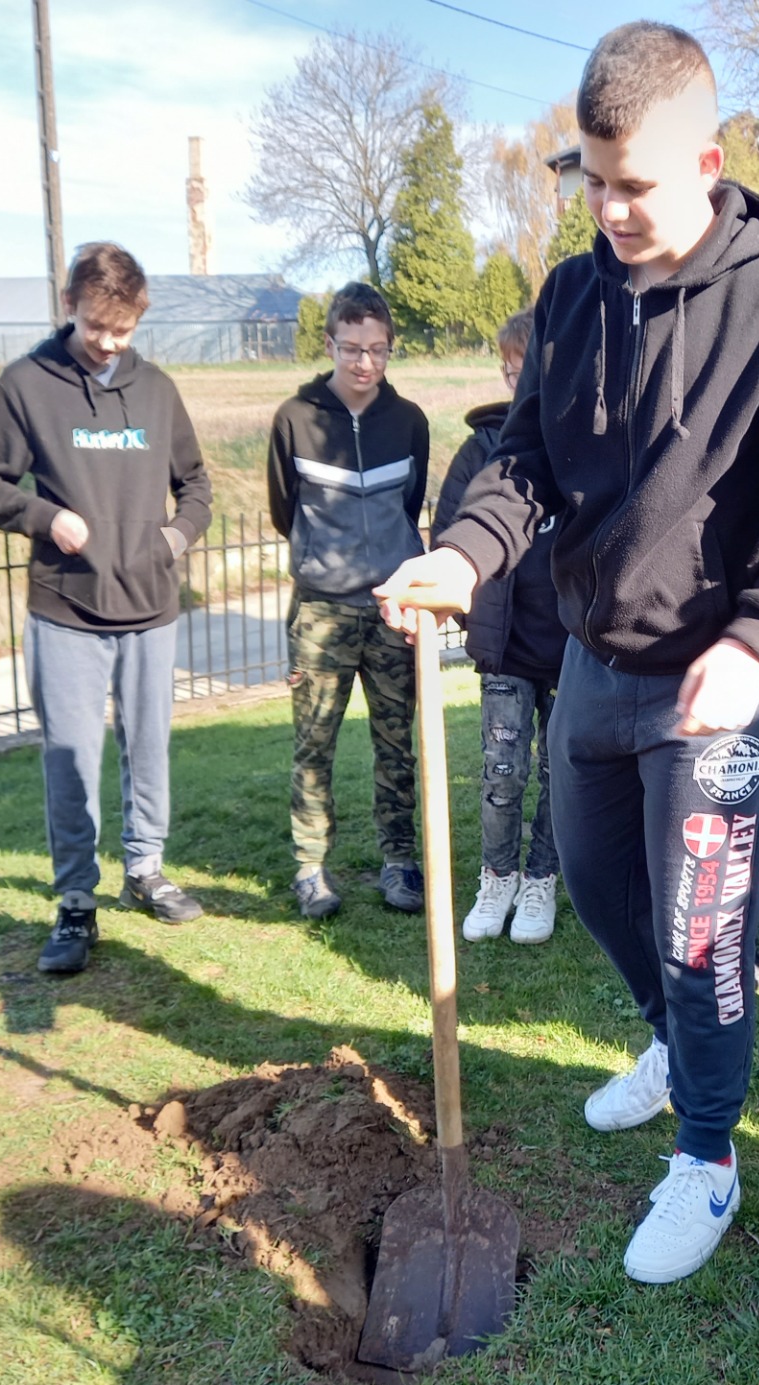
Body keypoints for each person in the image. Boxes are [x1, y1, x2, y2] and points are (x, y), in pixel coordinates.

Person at [374, 21, 759, 1285]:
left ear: (707, 161)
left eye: (633, 184)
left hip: (712, 688)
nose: (608, 207)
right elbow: (526, 464)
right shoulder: (573, 296)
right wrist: (465, 554)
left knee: (705, 937)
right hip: (592, 669)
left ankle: (708, 1154)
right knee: (600, 893)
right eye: (590, 180)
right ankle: (667, 1048)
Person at [0, 241, 212, 974]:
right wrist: (43, 517)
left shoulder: (158, 391)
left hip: (150, 606)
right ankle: (76, 903)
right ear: (70, 305)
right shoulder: (26, 384)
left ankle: (146, 870)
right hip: (65, 610)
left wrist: (173, 538)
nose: (108, 345)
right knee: (70, 759)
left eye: (123, 331)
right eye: (98, 328)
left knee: (149, 750)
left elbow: (195, 485)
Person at [267, 282, 430, 919]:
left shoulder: (409, 421)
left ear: (390, 350)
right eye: (353, 349)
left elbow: (407, 508)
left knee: (397, 746)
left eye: (379, 350)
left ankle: (400, 863)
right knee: (314, 745)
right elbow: (287, 509)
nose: (365, 363)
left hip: (392, 611)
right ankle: (311, 868)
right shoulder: (294, 418)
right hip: (321, 615)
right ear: (330, 344)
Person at [432, 309, 567, 945]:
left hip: (571, 651)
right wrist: (472, 610)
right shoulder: (481, 449)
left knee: (558, 777)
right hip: (506, 650)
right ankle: (498, 879)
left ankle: (541, 883)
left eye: (527, 371)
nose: (516, 382)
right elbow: (447, 537)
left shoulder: (576, 443)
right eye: (509, 370)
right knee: (501, 773)